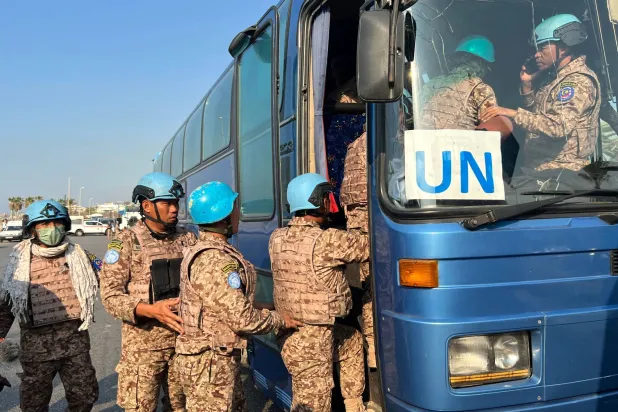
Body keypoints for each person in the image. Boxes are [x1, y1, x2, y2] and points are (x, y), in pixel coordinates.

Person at [170, 181, 300, 411]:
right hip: (209, 366)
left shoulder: (208, 252)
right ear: (222, 217)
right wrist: (280, 320)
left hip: (213, 361)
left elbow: (224, 304)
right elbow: (243, 319)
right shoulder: (215, 260)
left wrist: (268, 306)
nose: (238, 213)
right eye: (235, 208)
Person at [270, 173, 370, 412]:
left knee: (352, 342)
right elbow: (367, 246)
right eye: (326, 197)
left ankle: (354, 405)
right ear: (318, 201)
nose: (330, 202)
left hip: (290, 334)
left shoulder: (276, 237)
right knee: (313, 405)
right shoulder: (326, 240)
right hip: (312, 343)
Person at [99, 172, 196, 412]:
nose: (174, 209)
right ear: (146, 206)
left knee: (179, 406)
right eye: (167, 203)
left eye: (176, 203)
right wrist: (151, 310)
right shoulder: (126, 242)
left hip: (183, 342)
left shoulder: (188, 238)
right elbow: (110, 296)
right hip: (143, 349)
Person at [0, 200, 99, 411]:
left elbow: (110, 281)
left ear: (65, 225)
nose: (51, 229)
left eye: (56, 223)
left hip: (75, 346)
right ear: (32, 229)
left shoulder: (81, 257)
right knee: (33, 405)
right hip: (37, 350)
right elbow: (7, 304)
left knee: (84, 398)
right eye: (44, 224)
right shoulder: (19, 262)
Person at [481, 14, 601, 171]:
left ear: (563, 48)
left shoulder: (577, 82)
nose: (537, 54)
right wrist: (527, 86)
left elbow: (558, 126)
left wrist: (511, 113)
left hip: (563, 172)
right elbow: (538, 118)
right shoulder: (554, 79)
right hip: (542, 169)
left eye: (543, 48)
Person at [418, 35, 498, 130]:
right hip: (461, 144)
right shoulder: (481, 90)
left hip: (424, 144)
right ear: (481, 63)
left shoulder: (431, 84)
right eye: (486, 66)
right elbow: (491, 131)